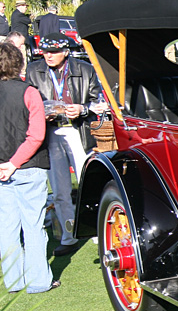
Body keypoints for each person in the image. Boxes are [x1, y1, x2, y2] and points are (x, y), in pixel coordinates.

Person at [25, 33, 103, 257]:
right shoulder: (34, 70)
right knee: (60, 190)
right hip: (50, 133)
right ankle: (69, 236)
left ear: (66, 51)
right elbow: (28, 101)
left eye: (53, 51)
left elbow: (100, 102)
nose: (48, 56)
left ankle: (98, 231)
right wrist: (42, 112)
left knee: (87, 181)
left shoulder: (84, 69)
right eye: (45, 51)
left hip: (79, 131)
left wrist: (82, 109)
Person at [0, 42, 58, 293]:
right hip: (27, 166)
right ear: (19, 63)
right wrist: (14, 163)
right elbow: (36, 136)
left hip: (5, 167)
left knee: (7, 227)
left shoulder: (28, 91)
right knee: (33, 226)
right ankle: (38, 281)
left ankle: (13, 281)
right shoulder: (29, 92)